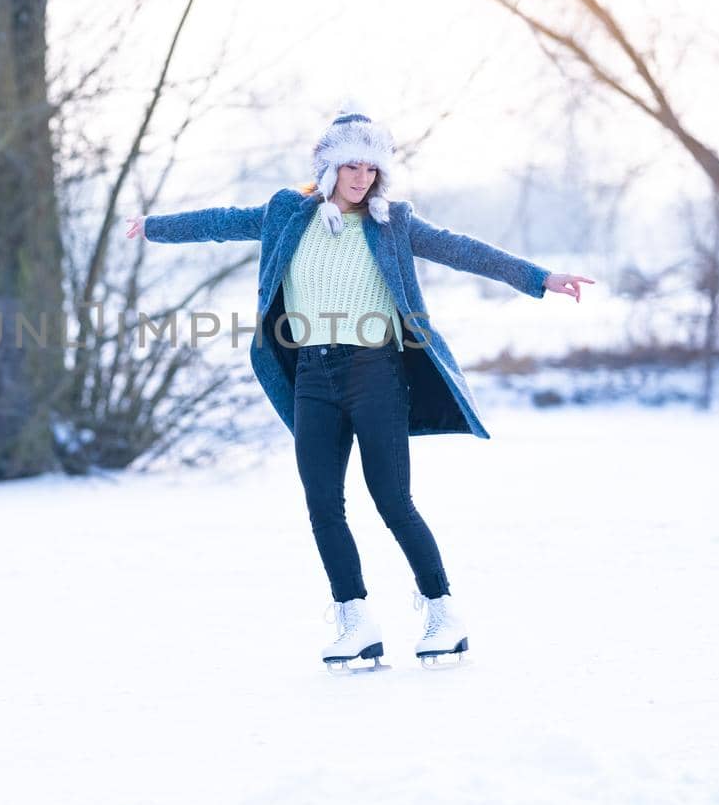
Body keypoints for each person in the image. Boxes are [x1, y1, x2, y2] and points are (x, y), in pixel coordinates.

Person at [125, 108, 594, 673]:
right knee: (323, 502)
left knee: (392, 499)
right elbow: (222, 220)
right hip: (311, 377)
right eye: (350, 165)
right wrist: (154, 226)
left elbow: (463, 250)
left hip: (375, 373)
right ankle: (354, 619)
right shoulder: (286, 215)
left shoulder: (391, 222)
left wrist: (539, 278)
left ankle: (442, 611)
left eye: (371, 167)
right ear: (327, 166)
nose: (361, 177)